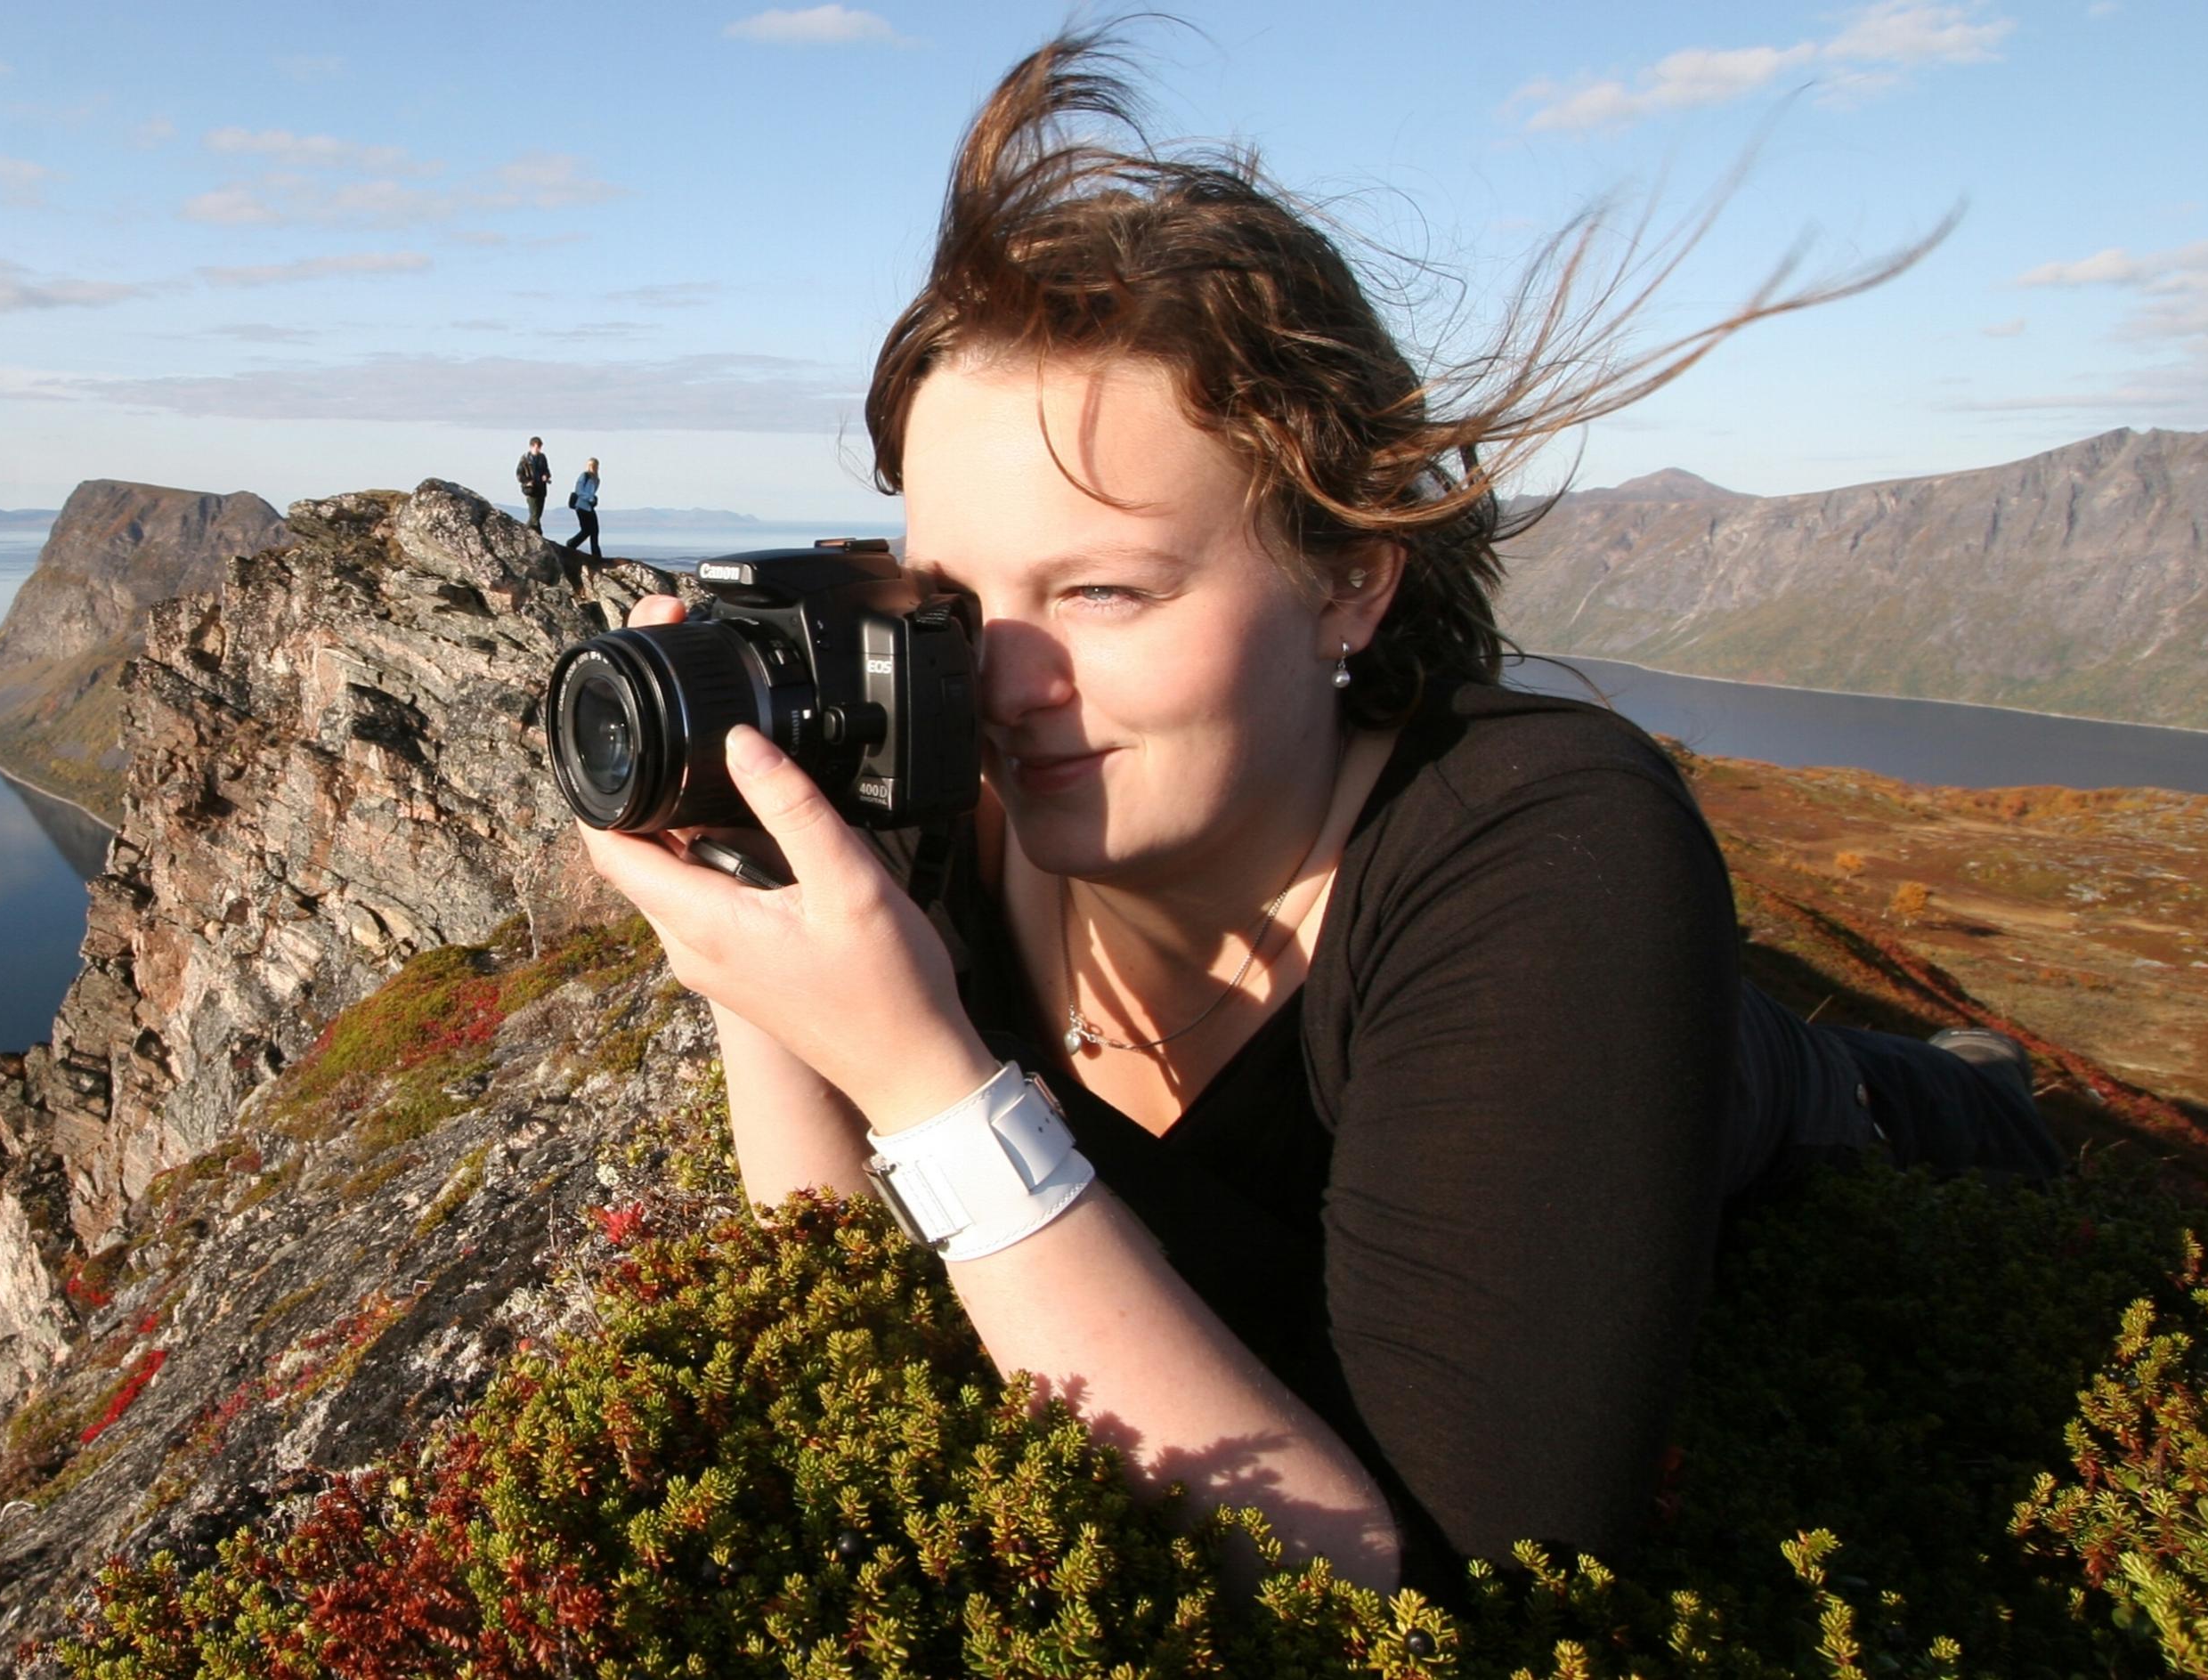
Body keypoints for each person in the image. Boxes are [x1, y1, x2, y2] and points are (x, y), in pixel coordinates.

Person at [572, 33, 2050, 1595]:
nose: (1002, 681)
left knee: (1924, 1104)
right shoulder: (936, 813)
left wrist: (932, 1084)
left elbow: (1438, 1586)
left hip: (1867, 1143)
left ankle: (1970, 1070)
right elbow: (834, 1291)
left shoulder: (1549, 850)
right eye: (952, 599)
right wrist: (748, 939)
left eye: (1102, 591)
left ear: (1347, 576)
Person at [566, 458, 604, 565]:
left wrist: (594, 499)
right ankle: (571, 544)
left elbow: (592, 492)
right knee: (587, 530)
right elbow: (579, 490)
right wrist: (589, 498)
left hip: (589, 507)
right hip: (581, 506)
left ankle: (596, 555)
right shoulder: (584, 476)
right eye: (590, 465)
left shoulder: (597, 479)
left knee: (594, 531)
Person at [515, 435, 552, 535]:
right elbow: (519, 475)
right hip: (531, 490)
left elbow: (546, 470)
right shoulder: (525, 460)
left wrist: (546, 476)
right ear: (531, 447)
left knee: (538, 514)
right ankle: (537, 534)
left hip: (542, 489)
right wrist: (528, 481)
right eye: (537, 447)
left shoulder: (542, 458)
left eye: (540, 447)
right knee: (534, 515)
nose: (539, 449)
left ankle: (527, 532)